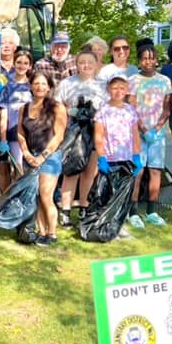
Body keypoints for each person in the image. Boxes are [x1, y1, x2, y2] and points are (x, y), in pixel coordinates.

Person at [55, 50, 107, 227]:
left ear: (96, 64)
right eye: (82, 62)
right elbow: (58, 107)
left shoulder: (102, 85)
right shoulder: (67, 83)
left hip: (94, 131)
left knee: (90, 171)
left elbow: (107, 110)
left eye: (89, 62)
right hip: (74, 131)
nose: (86, 65)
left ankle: (84, 205)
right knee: (72, 170)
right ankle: (66, 210)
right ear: (76, 64)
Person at [17, 71, 68, 247]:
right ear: (31, 86)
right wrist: (26, 153)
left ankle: (52, 233)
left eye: (43, 84)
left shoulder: (57, 107)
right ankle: (41, 231)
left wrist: (43, 156)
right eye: (36, 83)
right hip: (30, 156)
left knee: (46, 194)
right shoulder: (24, 108)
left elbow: (59, 135)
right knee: (36, 196)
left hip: (50, 156)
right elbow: (20, 133)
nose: (39, 87)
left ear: (49, 87)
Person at [127, 44, 172, 228]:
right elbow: (131, 107)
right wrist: (143, 129)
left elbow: (167, 106)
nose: (148, 61)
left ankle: (152, 211)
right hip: (138, 134)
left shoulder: (165, 81)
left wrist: (158, 127)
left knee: (155, 171)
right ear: (139, 61)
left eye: (151, 58)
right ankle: (133, 212)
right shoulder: (133, 80)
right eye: (144, 58)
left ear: (156, 60)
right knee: (137, 172)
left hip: (158, 134)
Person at [93, 76, 143, 236]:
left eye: (122, 88)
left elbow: (135, 135)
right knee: (109, 192)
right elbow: (98, 135)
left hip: (126, 159)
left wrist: (137, 157)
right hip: (109, 159)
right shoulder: (103, 111)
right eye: (115, 88)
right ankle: (105, 223)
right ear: (109, 89)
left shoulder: (130, 110)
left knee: (123, 193)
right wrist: (101, 157)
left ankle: (120, 224)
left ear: (127, 90)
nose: (118, 91)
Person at [0, 49, 34, 178]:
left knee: (31, 170)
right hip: (14, 134)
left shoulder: (34, 86)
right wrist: (3, 139)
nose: (22, 66)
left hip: (32, 134)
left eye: (25, 63)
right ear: (14, 63)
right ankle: (17, 197)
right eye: (19, 62)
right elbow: (4, 115)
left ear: (30, 66)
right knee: (18, 170)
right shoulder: (7, 87)